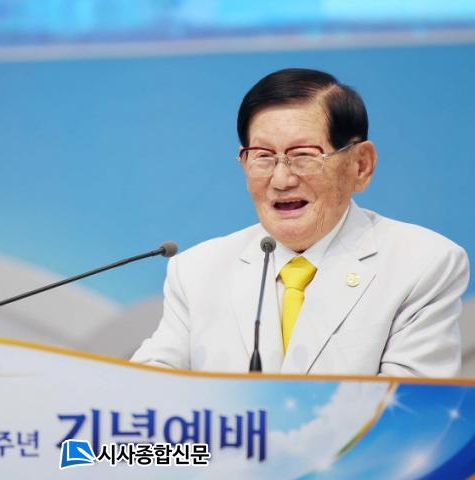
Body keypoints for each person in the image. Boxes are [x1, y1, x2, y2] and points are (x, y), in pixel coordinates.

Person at [131, 68, 469, 377]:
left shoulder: (422, 264)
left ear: (361, 165)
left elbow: (408, 407)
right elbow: (146, 389)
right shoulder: (197, 271)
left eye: (303, 156)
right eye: (263, 157)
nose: (281, 180)